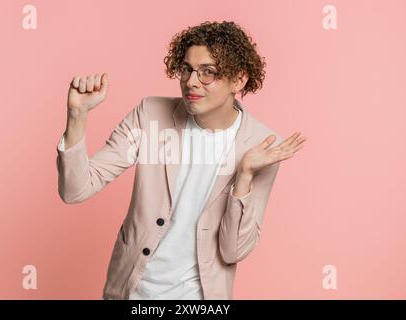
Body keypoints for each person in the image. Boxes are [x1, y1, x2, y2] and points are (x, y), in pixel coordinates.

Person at [56, 20, 306, 300]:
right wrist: (77, 116)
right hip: (132, 291)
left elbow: (233, 249)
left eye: (208, 72)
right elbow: (75, 190)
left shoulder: (262, 144)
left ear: (239, 79)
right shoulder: (150, 115)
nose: (191, 81)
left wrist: (244, 177)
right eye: (186, 69)